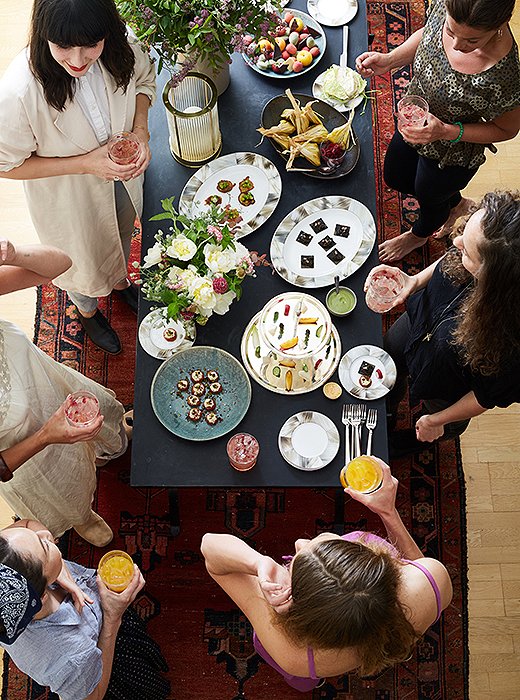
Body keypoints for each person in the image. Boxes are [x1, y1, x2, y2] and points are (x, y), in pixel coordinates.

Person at [201, 460, 452, 690]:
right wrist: (388, 512)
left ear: (300, 609)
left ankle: (312, 683)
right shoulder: (433, 581)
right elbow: (414, 565)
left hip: (313, 661)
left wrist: (259, 563)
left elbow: (209, 547)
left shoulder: (295, 654)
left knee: (303, 681)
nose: (299, 541)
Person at [0, 0, 156, 354]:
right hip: (68, 198)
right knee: (79, 260)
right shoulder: (17, 93)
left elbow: (145, 81)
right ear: (44, 35)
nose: (78, 59)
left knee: (120, 232)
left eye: (91, 44)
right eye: (63, 46)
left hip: (123, 179)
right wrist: (86, 163)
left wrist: (141, 132)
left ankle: (119, 283)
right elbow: (5, 165)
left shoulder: (123, 45)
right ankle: (86, 311)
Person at [356, 0, 520, 262]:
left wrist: (445, 131)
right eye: (451, 31)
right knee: (396, 177)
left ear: (501, 24)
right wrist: (390, 60)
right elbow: (428, 36)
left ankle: (419, 234)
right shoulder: (449, 6)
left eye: (471, 41)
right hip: (418, 119)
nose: (456, 45)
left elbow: (507, 129)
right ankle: (456, 204)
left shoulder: (505, 76)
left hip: (453, 146)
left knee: (430, 198)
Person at [364, 190, 520, 456]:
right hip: (420, 320)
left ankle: (407, 443)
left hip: (449, 383)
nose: (455, 241)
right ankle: (388, 405)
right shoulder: (482, 247)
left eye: (468, 252)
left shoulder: (512, 347)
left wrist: (437, 421)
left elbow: (485, 396)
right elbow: (455, 254)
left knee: (429, 428)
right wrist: (414, 281)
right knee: (390, 356)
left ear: (494, 279)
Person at [0, 238, 130, 546]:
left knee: (108, 421)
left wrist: (13, 252)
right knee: (67, 489)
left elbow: (59, 266)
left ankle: (106, 451)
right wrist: (47, 435)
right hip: (29, 452)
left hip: (50, 385)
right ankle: (82, 517)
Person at [0, 518, 170, 700]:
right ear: (41, 596)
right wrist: (113, 619)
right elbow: (95, 696)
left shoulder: (9, 557)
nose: (45, 534)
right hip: (107, 657)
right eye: (45, 546)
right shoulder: (69, 659)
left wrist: (61, 572)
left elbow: (26, 524)